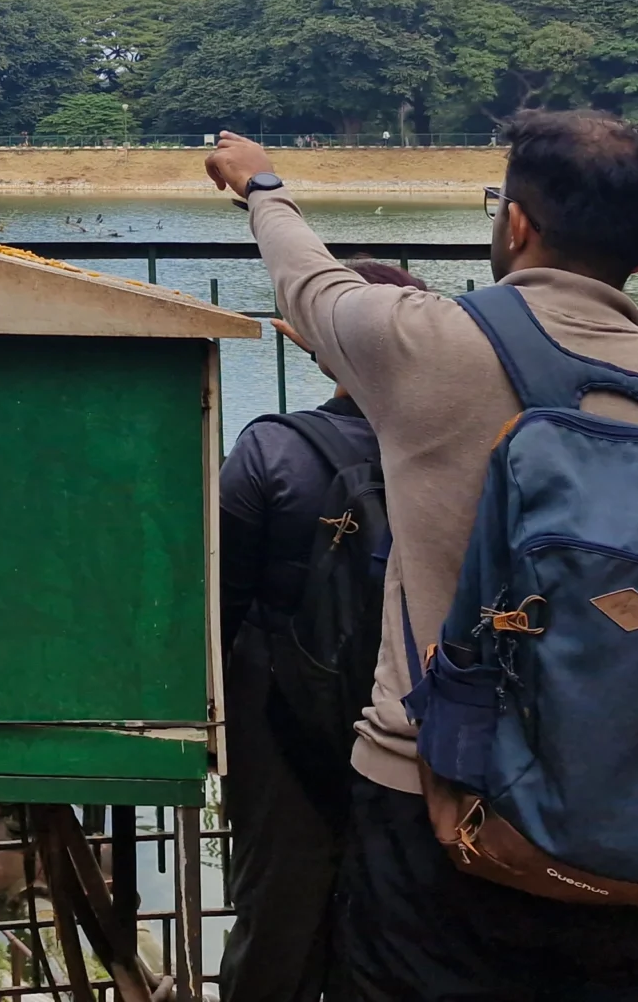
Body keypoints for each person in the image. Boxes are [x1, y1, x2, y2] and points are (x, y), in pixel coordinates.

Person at [205, 114, 638, 1002]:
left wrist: (261, 186)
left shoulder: (426, 345)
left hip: (432, 811)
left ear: (516, 223)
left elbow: (309, 283)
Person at [218, 260, 425, 1002]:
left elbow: (218, 610)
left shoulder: (272, 451)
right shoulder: (465, 457)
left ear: (317, 349)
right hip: (420, 736)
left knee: (277, 925)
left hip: (282, 735)